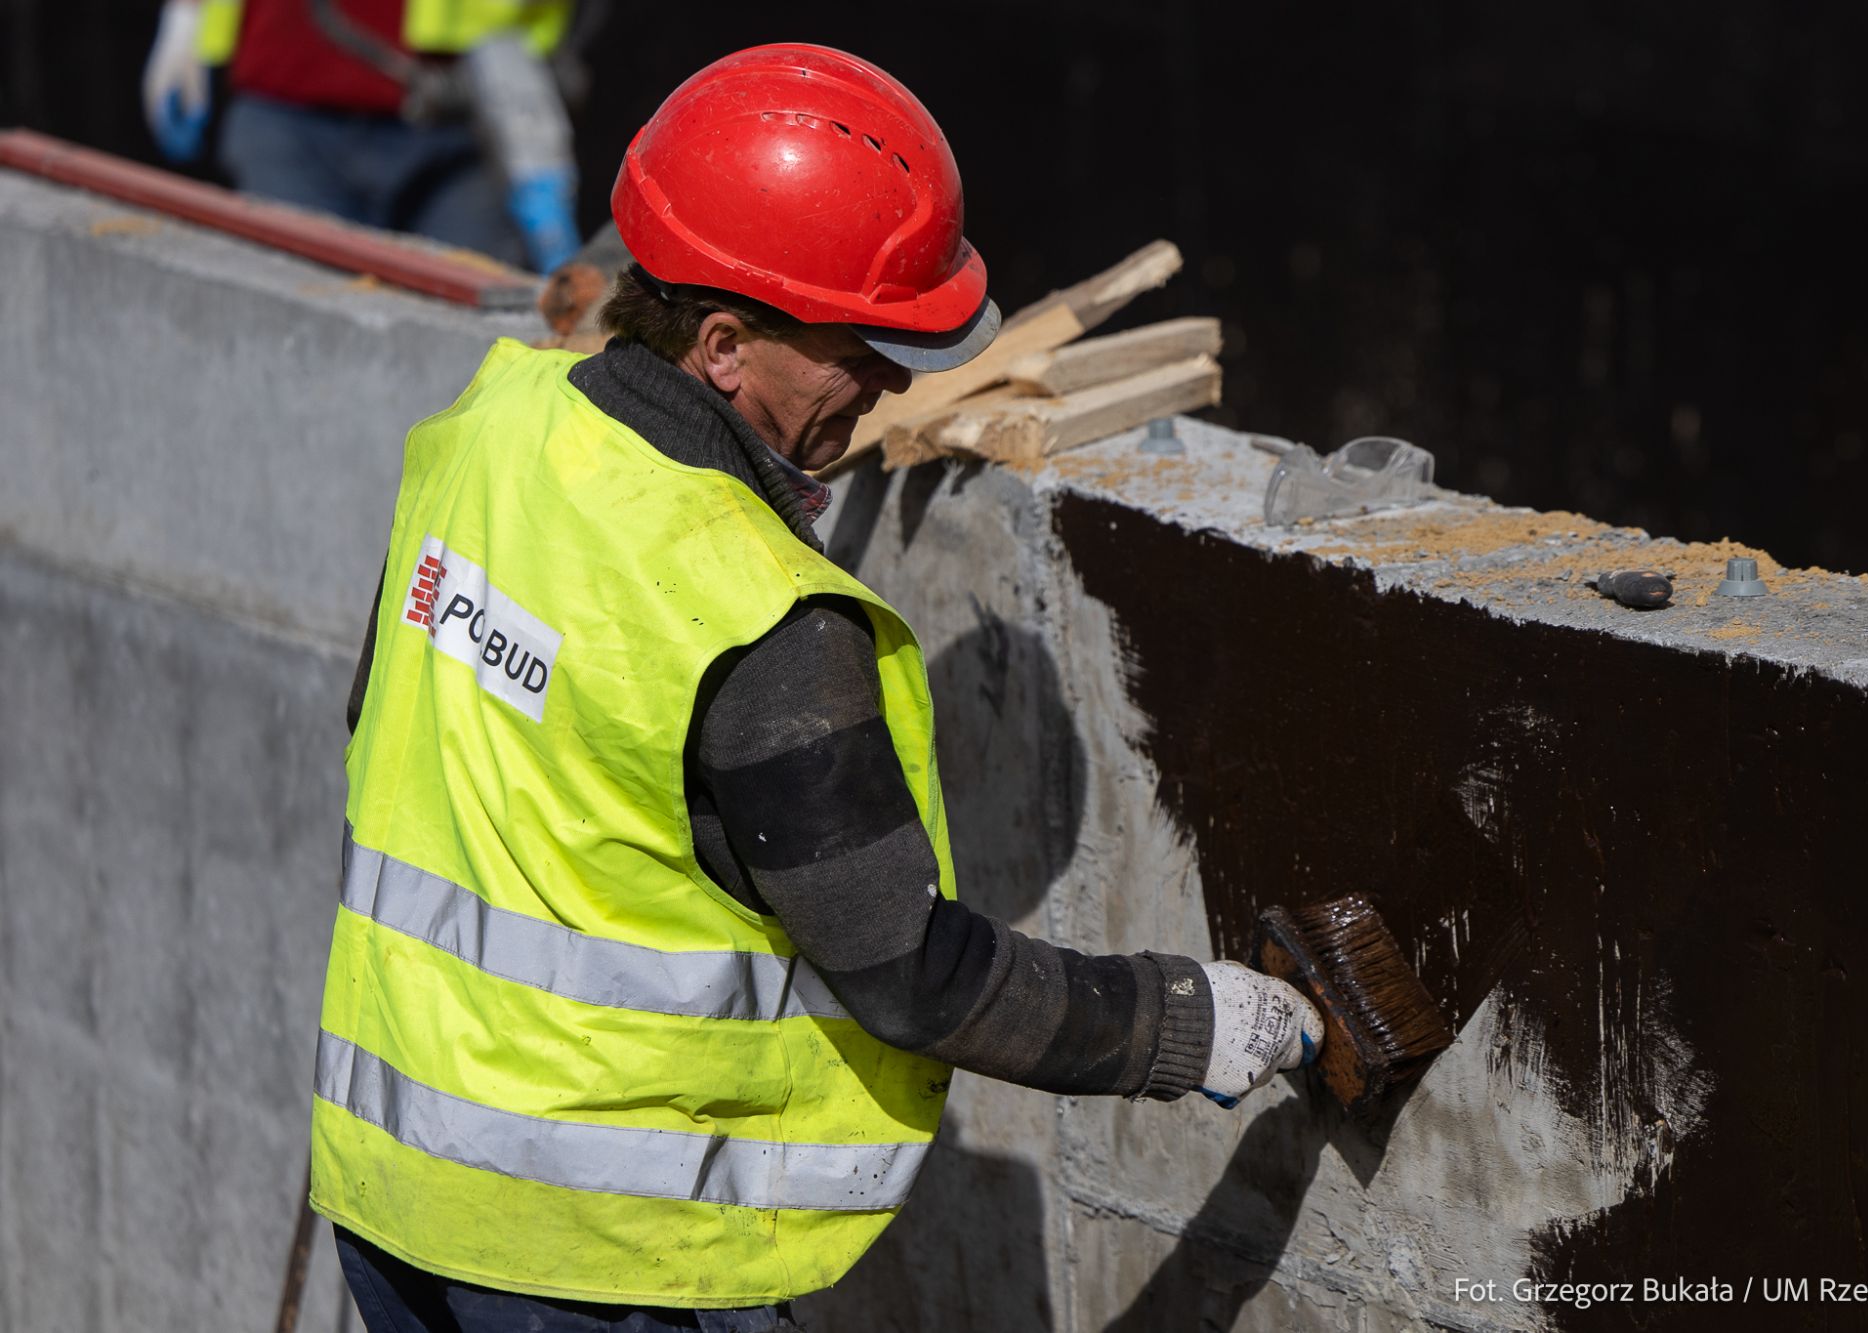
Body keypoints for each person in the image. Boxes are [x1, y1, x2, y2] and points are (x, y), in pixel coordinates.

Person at [313, 43, 1324, 1332]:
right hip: (607, 1258)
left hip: (395, 1192)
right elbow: (916, 977)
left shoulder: (490, 432)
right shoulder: (759, 617)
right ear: (724, 345)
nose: (897, 383)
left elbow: (384, 727)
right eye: (861, 345)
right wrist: (1188, 1022)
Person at [141, 0, 582, 270]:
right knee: (291, 338)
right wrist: (186, 14)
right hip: (289, 108)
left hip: (469, 125)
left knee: (474, 358)